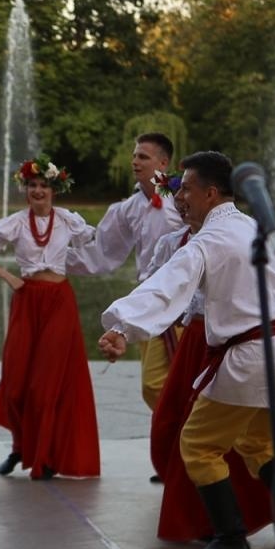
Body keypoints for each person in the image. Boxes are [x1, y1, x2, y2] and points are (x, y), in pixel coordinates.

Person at [98, 151, 275, 549]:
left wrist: (121, 326)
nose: (181, 197)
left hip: (253, 353)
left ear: (211, 194)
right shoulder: (254, 225)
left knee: (197, 443)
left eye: (188, 189)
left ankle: (231, 538)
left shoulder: (210, 239)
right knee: (258, 442)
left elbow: (166, 287)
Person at [0, 154, 101, 480]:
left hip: (59, 301)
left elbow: (97, 245)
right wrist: (10, 278)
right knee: (16, 383)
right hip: (27, 300)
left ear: (55, 189)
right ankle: (20, 446)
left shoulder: (69, 220)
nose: (38, 191)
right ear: (25, 189)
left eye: (44, 185)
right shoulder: (14, 222)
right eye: (32, 185)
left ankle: (45, 456)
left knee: (48, 384)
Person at [69, 133, 184, 413]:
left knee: (168, 383)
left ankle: (193, 441)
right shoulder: (128, 208)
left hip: (183, 298)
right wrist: (52, 258)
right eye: (134, 156)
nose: (135, 161)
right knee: (155, 386)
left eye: (143, 156)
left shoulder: (181, 197)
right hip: (149, 299)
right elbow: (104, 252)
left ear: (163, 162)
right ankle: (184, 440)